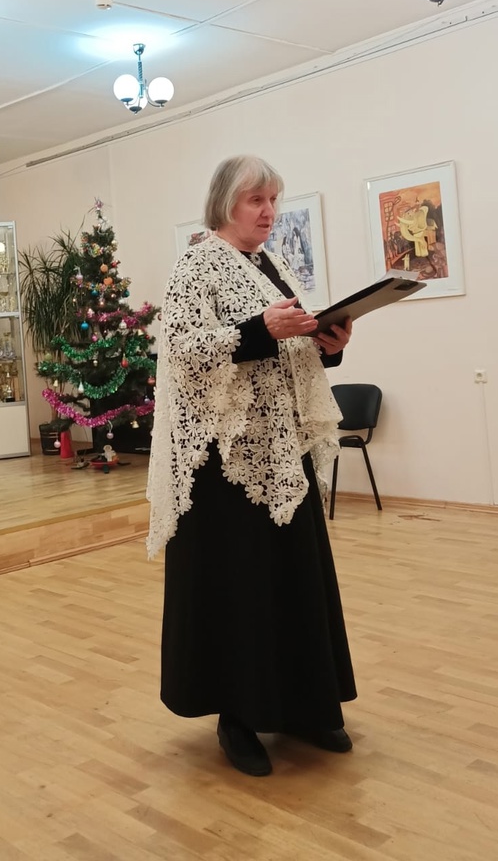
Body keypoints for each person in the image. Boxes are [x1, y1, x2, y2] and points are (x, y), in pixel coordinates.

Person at [146, 154, 356, 778]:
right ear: (225, 203)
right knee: (239, 586)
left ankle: (303, 705)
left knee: (293, 577)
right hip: (225, 458)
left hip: (282, 445)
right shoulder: (197, 263)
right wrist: (262, 327)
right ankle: (236, 716)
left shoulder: (271, 262)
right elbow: (183, 350)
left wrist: (327, 344)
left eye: (273, 200)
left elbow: (285, 348)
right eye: (255, 200)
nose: (268, 212)